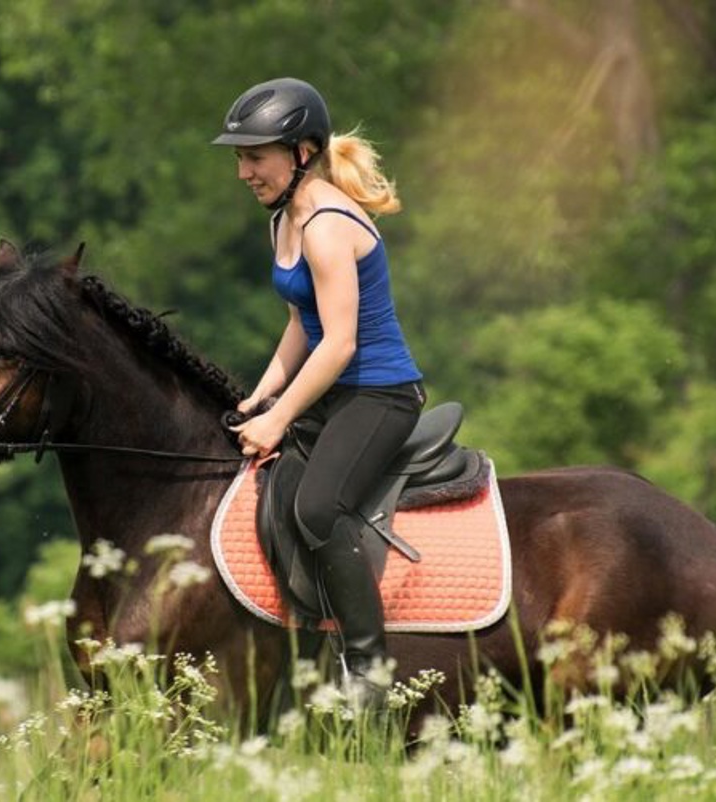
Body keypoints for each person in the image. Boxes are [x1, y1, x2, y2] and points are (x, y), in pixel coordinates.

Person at [213, 77, 425, 703]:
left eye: (255, 157)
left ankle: (368, 671)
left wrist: (278, 422)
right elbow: (298, 327)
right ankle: (303, 653)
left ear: (302, 152)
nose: (243, 172)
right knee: (273, 493)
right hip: (332, 390)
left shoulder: (328, 224)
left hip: (381, 395)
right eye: (239, 158)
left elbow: (339, 343)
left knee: (317, 507)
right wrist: (259, 396)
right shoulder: (285, 217)